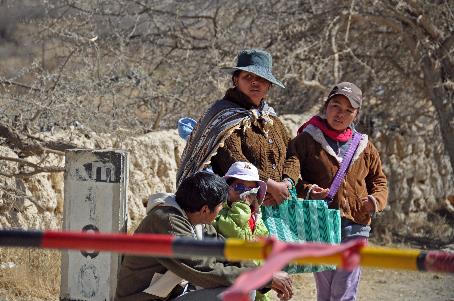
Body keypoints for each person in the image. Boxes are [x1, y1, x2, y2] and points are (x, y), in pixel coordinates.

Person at [115, 172, 293, 301]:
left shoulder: (194, 217)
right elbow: (204, 269)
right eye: (219, 207)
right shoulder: (168, 222)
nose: (221, 211)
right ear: (205, 209)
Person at [288, 82, 388, 301]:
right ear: (326, 106)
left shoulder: (365, 146)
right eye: (336, 106)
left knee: (343, 291)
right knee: (326, 292)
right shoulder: (306, 140)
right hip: (320, 224)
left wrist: (375, 200)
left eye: (348, 111)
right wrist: (309, 190)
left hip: (356, 225)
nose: (340, 114)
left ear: (356, 115)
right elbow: (291, 176)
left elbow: (379, 180)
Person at [176, 49, 299, 206]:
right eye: (248, 77)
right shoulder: (223, 117)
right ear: (236, 80)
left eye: (261, 78)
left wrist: (286, 184)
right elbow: (234, 160)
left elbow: (292, 154)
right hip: (236, 208)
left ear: (269, 85)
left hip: (278, 202)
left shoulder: (271, 119)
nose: (254, 82)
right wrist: (270, 186)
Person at [212, 161, 272, 301]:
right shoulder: (220, 213)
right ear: (227, 188)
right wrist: (242, 207)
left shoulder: (256, 217)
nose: (245, 194)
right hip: (233, 279)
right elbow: (235, 235)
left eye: (251, 190)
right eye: (239, 187)